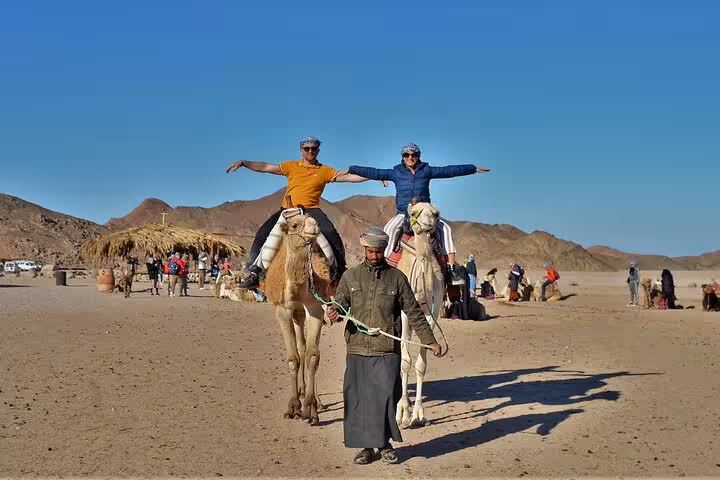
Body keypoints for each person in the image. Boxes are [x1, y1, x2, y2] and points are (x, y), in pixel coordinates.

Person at [326, 227, 441, 466]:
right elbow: (341, 303)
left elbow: (414, 312)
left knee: (387, 397)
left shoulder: (397, 278)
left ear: (384, 250)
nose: (374, 256)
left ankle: (385, 444)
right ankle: (367, 448)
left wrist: (429, 341)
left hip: (387, 349)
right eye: (370, 251)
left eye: (378, 252)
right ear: (364, 250)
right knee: (360, 399)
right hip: (357, 347)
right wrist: (335, 312)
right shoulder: (351, 277)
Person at [227, 136, 363, 289]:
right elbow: (266, 167)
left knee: (331, 233)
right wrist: (244, 163)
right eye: (307, 148)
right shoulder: (291, 166)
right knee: (262, 234)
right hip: (288, 209)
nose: (310, 151)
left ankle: (339, 271)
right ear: (301, 151)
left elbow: (349, 178)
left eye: (314, 148)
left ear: (318, 150)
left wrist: (374, 175)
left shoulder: (325, 170)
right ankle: (253, 273)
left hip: (311, 209)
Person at [344, 143, 490, 267]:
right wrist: (352, 168)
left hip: (424, 213)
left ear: (418, 156)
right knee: (390, 229)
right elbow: (374, 172)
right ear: (403, 157)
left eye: (413, 155)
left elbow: (449, 170)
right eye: (406, 155)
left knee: (445, 230)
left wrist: (472, 169)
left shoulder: (427, 170)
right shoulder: (396, 172)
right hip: (404, 213)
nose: (410, 158)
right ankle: (385, 266)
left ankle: (451, 267)